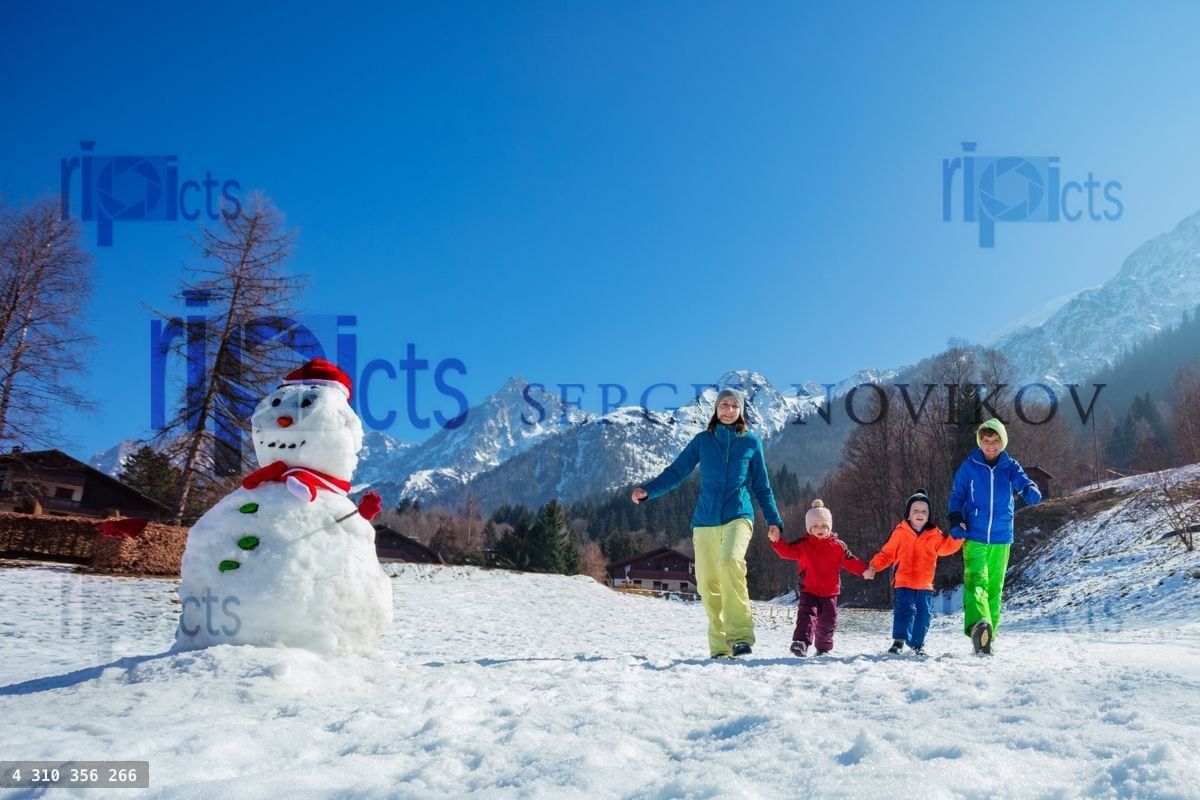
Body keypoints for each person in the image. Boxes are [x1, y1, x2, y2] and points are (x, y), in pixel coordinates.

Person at [631, 388, 783, 659]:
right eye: (723, 404)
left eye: (734, 405)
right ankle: (720, 644)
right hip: (705, 519)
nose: (728, 410)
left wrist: (774, 520)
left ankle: (740, 637)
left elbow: (762, 487)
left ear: (741, 411)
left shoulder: (751, 443)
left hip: (739, 514)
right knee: (707, 581)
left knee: (729, 562)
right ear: (715, 409)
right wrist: (649, 491)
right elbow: (677, 472)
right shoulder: (703, 441)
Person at [946, 418, 1041, 655]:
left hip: (1001, 536)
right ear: (980, 442)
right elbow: (957, 495)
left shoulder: (1010, 466)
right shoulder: (969, 466)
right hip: (974, 535)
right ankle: (980, 624)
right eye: (986, 440)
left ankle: (988, 637)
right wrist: (956, 519)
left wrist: (1030, 490)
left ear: (1003, 441)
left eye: (996, 440)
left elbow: (1023, 482)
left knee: (995, 589)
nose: (991, 445)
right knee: (976, 581)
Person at [863, 488, 962, 656]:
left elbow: (945, 548)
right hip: (904, 582)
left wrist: (958, 537)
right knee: (905, 610)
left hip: (925, 584)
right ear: (908, 514)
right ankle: (899, 641)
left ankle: (917, 644)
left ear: (928, 515)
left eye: (924, 511)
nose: (920, 513)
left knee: (923, 616)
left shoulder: (934, 534)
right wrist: (873, 566)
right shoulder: (900, 532)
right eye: (915, 510)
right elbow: (887, 553)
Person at [768, 499, 867, 657]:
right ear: (809, 528)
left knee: (828, 621)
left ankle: (823, 647)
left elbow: (850, 561)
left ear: (829, 527)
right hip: (809, 590)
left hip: (830, 593)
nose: (820, 529)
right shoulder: (803, 545)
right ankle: (801, 642)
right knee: (807, 616)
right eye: (815, 526)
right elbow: (786, 551)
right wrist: (776, 541)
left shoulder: (837, 546)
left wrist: (865, 570)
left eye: (823, 526)